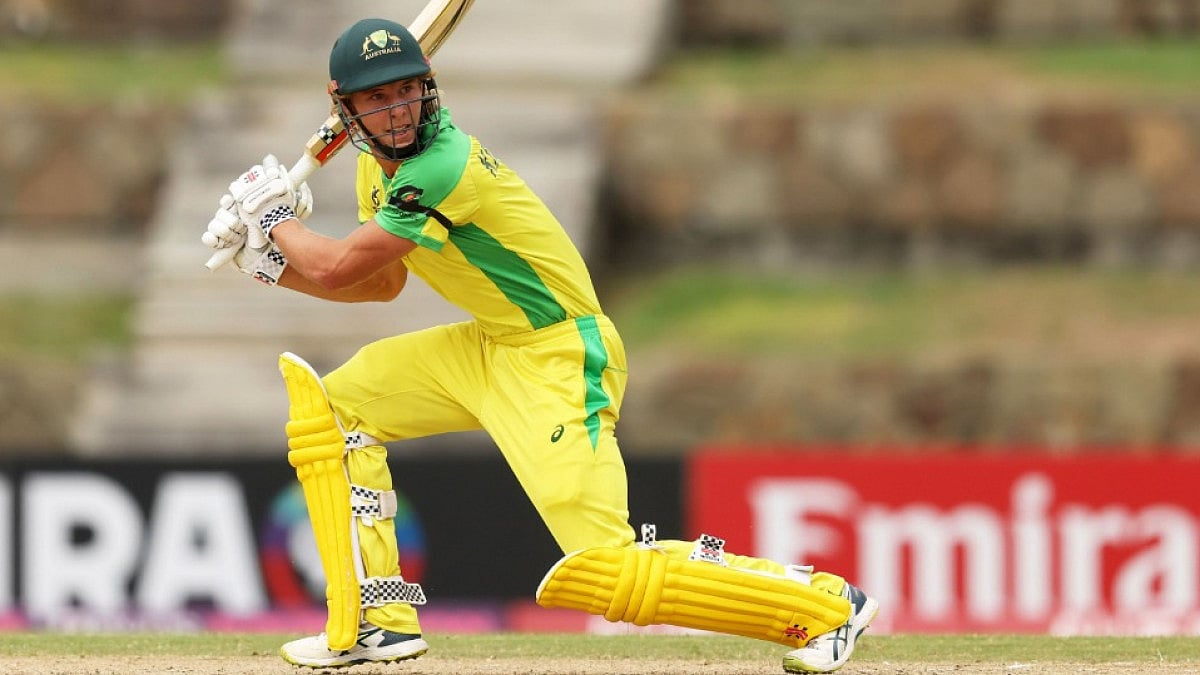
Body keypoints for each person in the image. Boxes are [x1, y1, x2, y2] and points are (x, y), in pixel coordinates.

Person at [202, 17, 878, 674]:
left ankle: (824, 605)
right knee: (336, 408)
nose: (399, 109)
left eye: (407, 88)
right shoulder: (373, 172)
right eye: (378, 98)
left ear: (428, 84)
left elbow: (339, 265)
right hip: (491, 347)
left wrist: (276, 218)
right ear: (343, 106)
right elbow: (378, 284)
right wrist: (266, 262)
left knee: (604, 569)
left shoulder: (441, 165)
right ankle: (374, 621)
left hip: (559, 351)